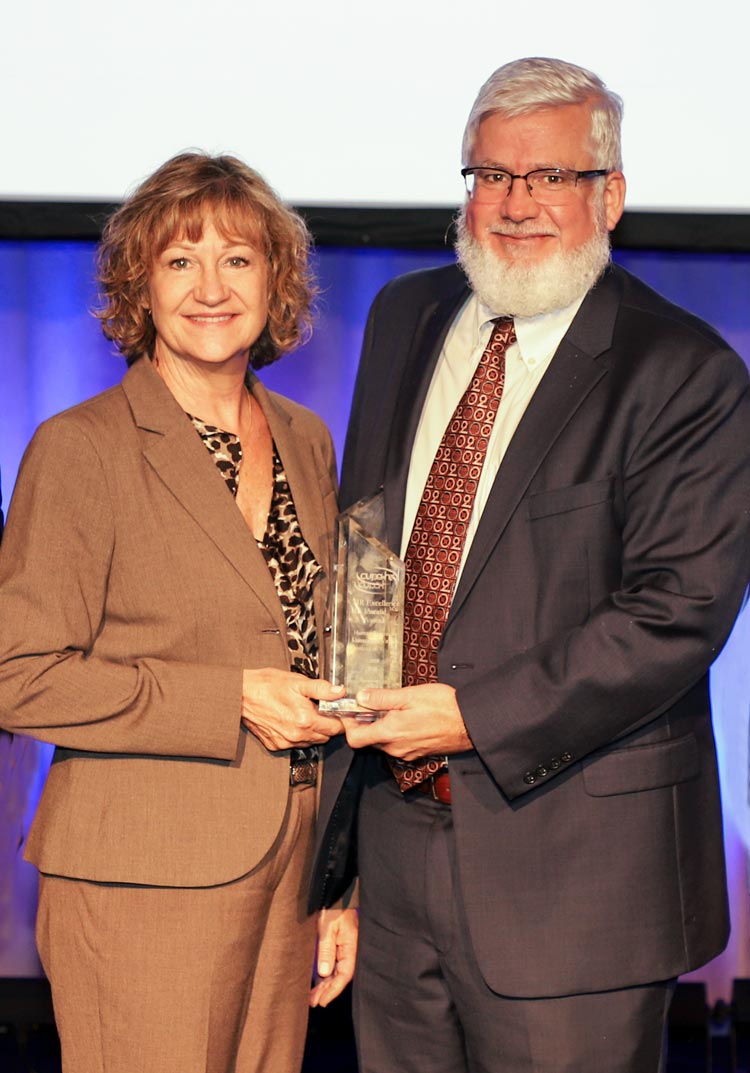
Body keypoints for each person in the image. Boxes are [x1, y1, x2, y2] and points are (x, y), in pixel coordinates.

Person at [310, 57, 750, 1073]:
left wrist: (467, 713)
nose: (514, 205)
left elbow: (677, 613)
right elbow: (371, 548)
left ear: (612, 195)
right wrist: (344, 854)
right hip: (393, 840)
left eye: (548, 177)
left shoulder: (684, 371)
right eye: (491, 175)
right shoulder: (404, 317)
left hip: (575, 878)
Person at [0, 152, 357, 1073]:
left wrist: (342, 883)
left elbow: (331, 657)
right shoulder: (80, 447)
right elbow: (20, 677)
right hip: (139, 877)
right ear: (139, 285)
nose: (210, 287)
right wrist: (231, 697)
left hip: (291, 872)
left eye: (238, 259)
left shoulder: (308, 440)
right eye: (179, 260)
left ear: (275, 281)